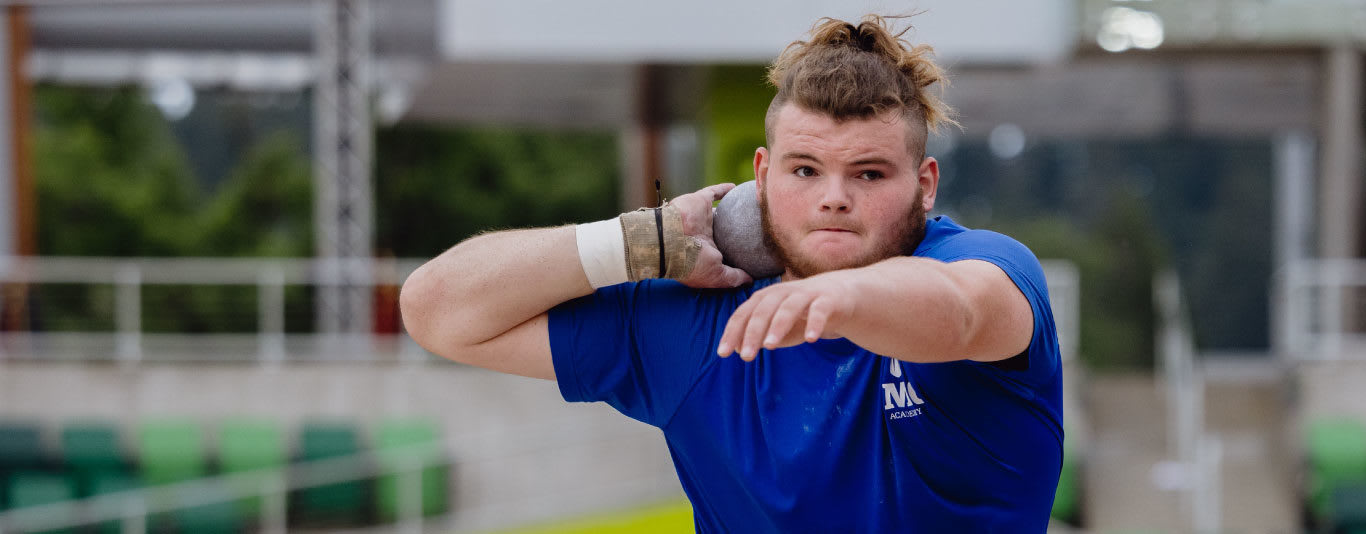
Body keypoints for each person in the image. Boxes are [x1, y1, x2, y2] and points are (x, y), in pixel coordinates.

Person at [400, 14, 1064, 532]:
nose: (834, 197)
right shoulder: (700, 319)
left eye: (868, 173)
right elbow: (437, 311)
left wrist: (839, 294)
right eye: (805, 170)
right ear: (761, 177)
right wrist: (633, 243)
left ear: (924, 186)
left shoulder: (986, 268)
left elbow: (959, 310)